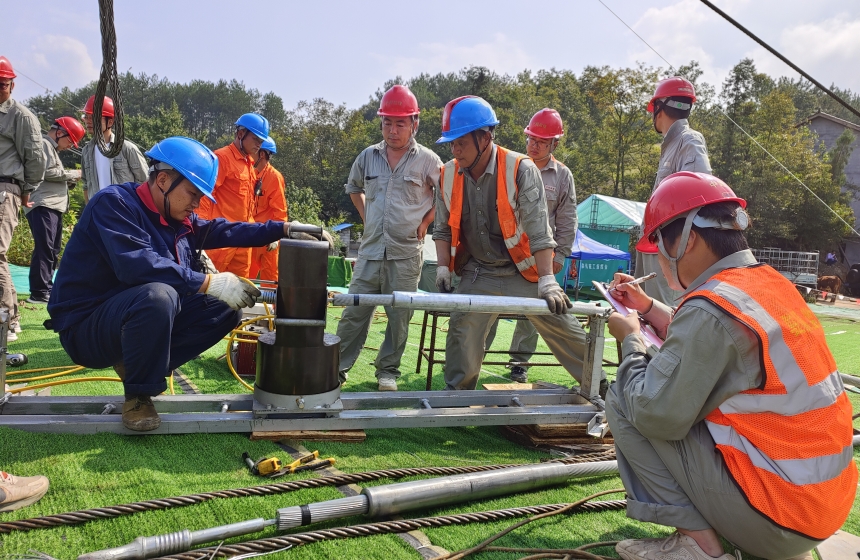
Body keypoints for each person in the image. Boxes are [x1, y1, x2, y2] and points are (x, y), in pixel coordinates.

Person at [605, 171, 855, 560]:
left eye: (659, 246)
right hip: (819, 509)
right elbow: (721, 342)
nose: (659, 259)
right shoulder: (768, 285)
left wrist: (631, 338)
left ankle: (698, 545)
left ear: (686, 239)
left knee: (626, 394)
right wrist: (649, 308)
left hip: (778, 520)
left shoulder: (712, 307)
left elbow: (653, 411)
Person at [47, 136, 300, 432]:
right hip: (86, 327)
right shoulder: (114, 204)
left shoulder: (178, 218)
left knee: (225, 308)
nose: (197, 204)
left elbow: (225, 230)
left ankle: (139, 367)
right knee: (159, 294)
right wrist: (208, 281)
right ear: (164, 180)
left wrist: (283, 229)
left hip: (130, 317)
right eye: (193, 194)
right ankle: (139, 395)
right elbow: (137, 266)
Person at [433, 96, 603, 395]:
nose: (454, 149)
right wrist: (444, 268)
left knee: (562, 322)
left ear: (485, 138)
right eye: (451, 143)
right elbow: (443, 228)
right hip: (478, 272)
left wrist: (548, 279)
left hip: (523, 269)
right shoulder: (447, 174)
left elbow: (540, 229)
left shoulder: (520, 169)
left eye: (460, 141)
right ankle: (457, 396)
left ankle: (600, 385)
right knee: (463, 328)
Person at [336, 85, 441, 392]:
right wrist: (366, 215)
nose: (393, 130)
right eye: (387, 123)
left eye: (400, 123)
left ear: (414, 123)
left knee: (399, 318)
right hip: (370, 252)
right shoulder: (368, 157)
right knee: (354, 313)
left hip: (406, 254)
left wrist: (425, 222)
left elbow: (446, 198)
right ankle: (336, 368)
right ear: (381, 123)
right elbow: (354, 188)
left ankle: (388, 372)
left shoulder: (429, 161)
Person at [483, 108, 578, 383]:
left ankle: (519, 363)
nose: (533, 145)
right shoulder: (512, 166)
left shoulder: (562, 176)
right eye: (531, 139)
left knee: (533, 313)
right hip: (506, 251)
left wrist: (560, 254)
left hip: (539, 256)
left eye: (541, 141)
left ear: (554, 144)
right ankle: (476, 355)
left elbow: (567, 218)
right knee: (488, 306)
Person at [635, 76, 711, 306]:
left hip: (670, 249)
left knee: (663, 316)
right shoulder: (672, 145)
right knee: (646, 314)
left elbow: (700, 195)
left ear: (658, 109)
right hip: (656, 244)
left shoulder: (689, 140)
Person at [0, 56, 46, 342]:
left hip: (6, 188)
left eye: (2, 85)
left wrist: (27, 189)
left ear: (12, 85)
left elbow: (35, 158)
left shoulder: (21, 116)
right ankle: (12, 317)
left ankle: (5, 321)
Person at [197, 113, 269, 277]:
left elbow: (248, 207)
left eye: (261, 141)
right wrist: (200, 231)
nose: (259, 144)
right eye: (256, 139)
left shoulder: (249, 164)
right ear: (241, 133)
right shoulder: (222, 157)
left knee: (240, 288)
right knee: (213, 284)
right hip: (222, 238)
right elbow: (205, 195)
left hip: (242, 239)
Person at [24, 117, 85, 304]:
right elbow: (47, 172)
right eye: (70, 141)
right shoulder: (43, 144)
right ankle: (39, 292)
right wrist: (76, 174)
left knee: (52, 249)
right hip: (43, 204)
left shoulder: (51, 149)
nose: (69, 146)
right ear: (60, 133)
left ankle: (45, 288)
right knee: (46, 248)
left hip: (52, 206)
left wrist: (69, 179)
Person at [80, 95, 148, 203]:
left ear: (110, 122)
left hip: (125, 211)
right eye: (86, 116)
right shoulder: (86, 151)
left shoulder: (127, 149)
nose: (88, 121)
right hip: (99, 212)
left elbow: (145, 182)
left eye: (93, 117)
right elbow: (86, 184)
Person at [249, 136, 288, 282]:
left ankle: (272, 306)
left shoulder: (274, 177)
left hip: (268, 237)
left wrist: (276, 235)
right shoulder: (248, 173)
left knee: (270, 278)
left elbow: (280, 210)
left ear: (262, 154)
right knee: (245, 277)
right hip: (250, 233)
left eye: (255, 150)